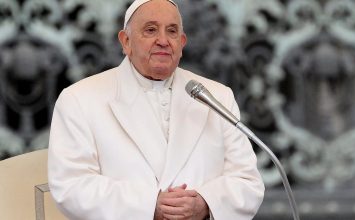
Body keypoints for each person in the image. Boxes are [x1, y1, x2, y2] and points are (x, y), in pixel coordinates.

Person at [48, 0, 265, 219]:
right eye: (150, 30)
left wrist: (206, 203)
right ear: (126, 42)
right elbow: (71, 186)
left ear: (181, 43)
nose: (163, 41)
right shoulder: (80, 99)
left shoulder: (217, 96)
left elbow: (247, 181)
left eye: (171, 32)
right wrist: (149, 205)